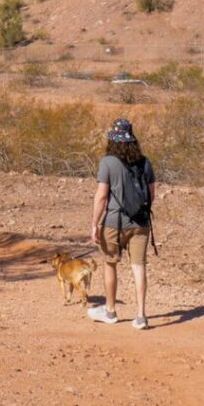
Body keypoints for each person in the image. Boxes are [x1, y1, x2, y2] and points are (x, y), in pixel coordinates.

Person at [87, 118, 155, 329]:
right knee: (139, 266)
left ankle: (110, 311)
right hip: (141, 223)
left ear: (113, 140)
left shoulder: (107, 162)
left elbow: (101, 196)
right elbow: (151, 195)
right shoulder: (145, 162)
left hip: (114, 223)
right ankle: (141, 316)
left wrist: (94, 223)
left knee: (110, 264)